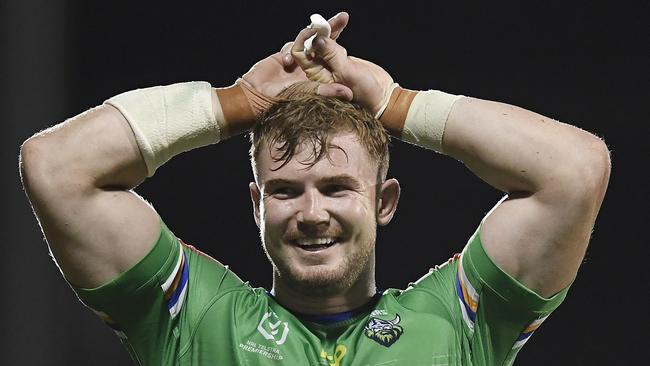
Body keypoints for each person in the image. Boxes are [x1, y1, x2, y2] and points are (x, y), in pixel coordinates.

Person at [19, 12, 610, 365]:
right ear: (256, 206)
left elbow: (575, 168)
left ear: (385, 202)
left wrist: (398, 106)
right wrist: (232, 105)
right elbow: (54, 166)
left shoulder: (459, 325)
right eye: (284, 191)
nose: (311, 212)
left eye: (336, 188)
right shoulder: (195, 321)